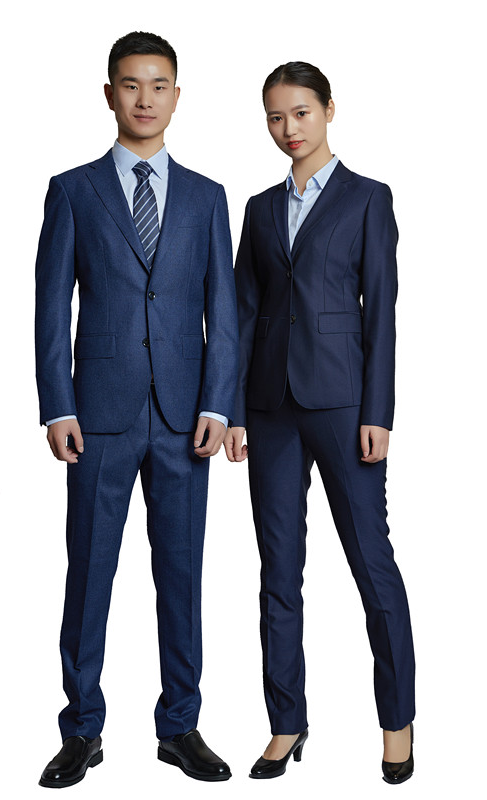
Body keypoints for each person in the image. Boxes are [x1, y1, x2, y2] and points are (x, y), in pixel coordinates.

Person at [35, 31, 238, 787]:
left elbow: (224, 311)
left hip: (186, 420)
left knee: (180, 576)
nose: (144, 99)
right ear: (109, 94)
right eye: (130, 85)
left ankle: (179, 726)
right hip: (97, 417)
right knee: (89, 573)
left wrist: (219, 403)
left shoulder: (207, 197)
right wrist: (57, 404)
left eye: (158, 86)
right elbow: (50, 306)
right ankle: (81, 729)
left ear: (176, 96)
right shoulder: (73, 190)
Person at [224, 61, 415, 784]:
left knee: (372, 566)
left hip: (342, 406)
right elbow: (243, 314)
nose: (288, 129)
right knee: (278, 571)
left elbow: (382, 312)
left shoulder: (368, 198)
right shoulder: (258, 209)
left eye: (300, 113)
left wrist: (378, 412)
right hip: (269, 409)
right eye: (275, 117)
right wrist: (234, 410)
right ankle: (286, 721)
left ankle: (396, 723)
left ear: (329, 110)